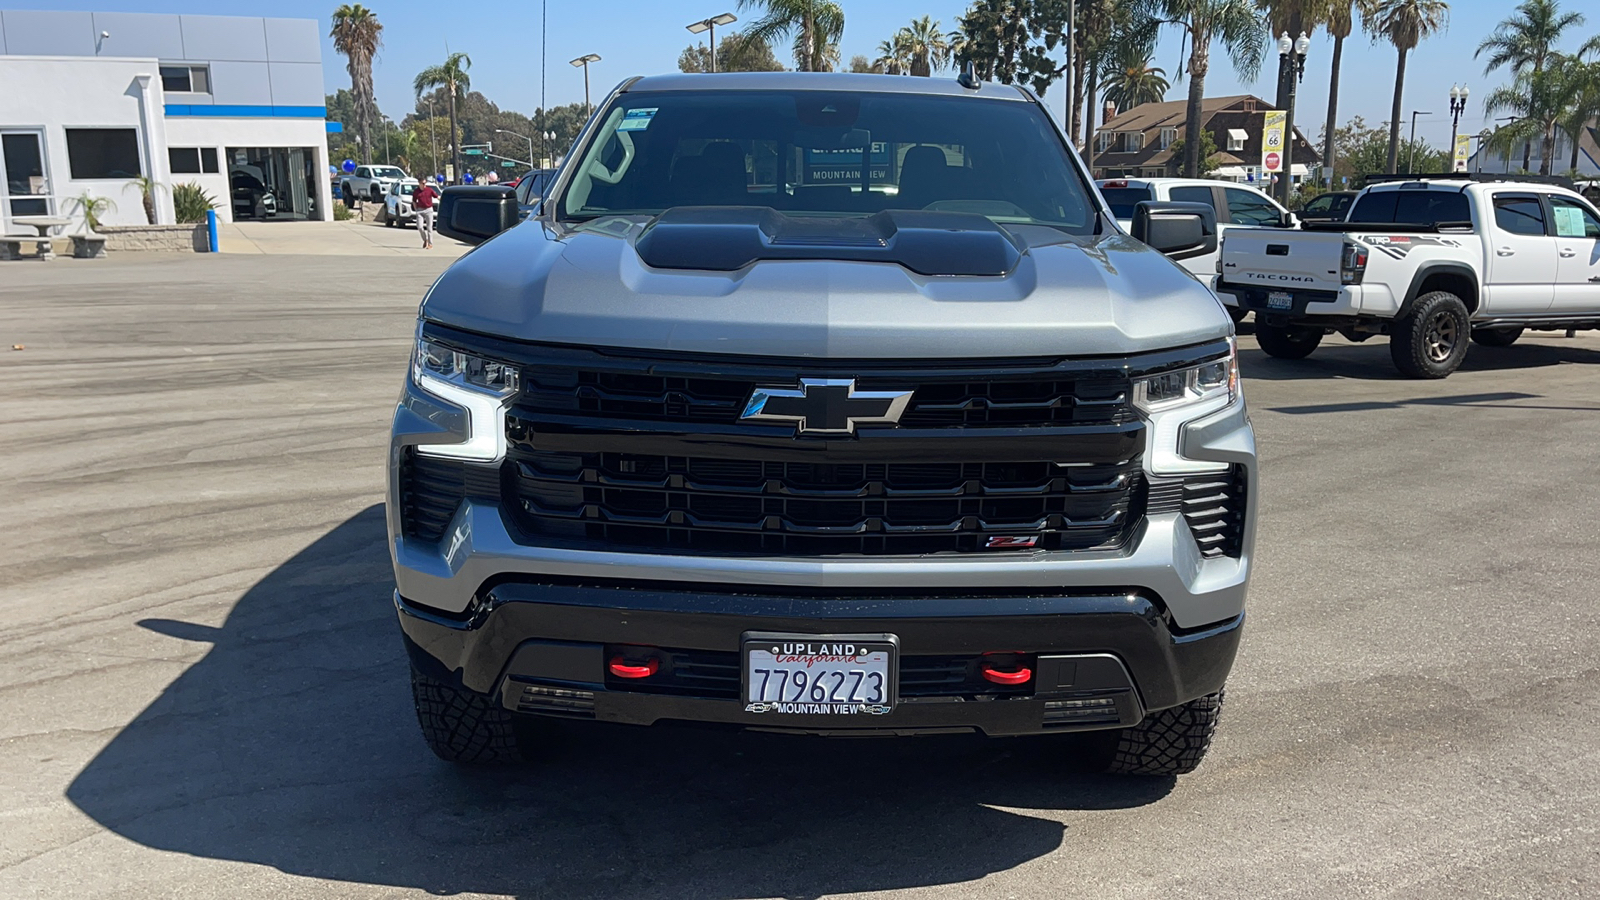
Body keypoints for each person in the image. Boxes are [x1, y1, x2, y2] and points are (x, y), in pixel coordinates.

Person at [413, 180, 438, 249]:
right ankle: (425, 239)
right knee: (419, 227)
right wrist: (416, 209)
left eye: (425, 183)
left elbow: (436, 196)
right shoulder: (416, 191)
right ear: (419, 183)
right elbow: (414, 201)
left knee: (429, 227)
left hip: (428, 209)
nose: (424, 185)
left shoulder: (429, 190)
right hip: (420, 210)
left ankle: (430, 244)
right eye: (423, 183)